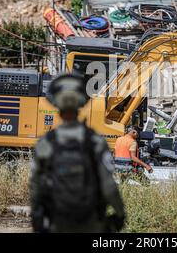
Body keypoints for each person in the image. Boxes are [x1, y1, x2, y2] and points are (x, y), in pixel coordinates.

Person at [29, 73, 125, 233]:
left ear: (57, 109)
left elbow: (35, 185)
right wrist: (120, 213)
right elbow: (108, 185)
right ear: (80, 107)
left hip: (56, 221)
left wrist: (36, 215)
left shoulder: (46, 142)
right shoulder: (96, 141)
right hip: (90, 221)